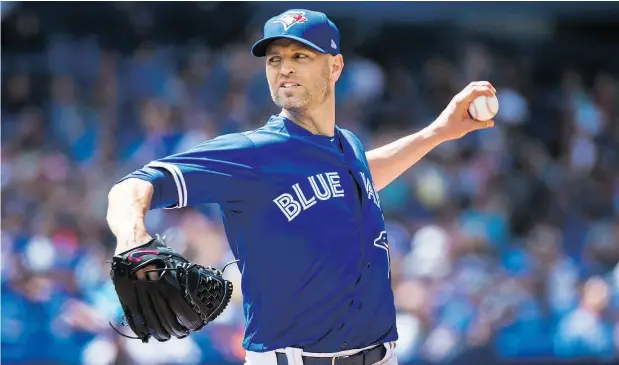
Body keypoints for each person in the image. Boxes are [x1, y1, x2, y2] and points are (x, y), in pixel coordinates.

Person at [106, 8, 496, 365]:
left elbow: (361, 176)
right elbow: (133, 186)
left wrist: (437, 133)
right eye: (275, 59)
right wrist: (132, 237)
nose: (284, 68)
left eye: (300, 56)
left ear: (335, 67)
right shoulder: (253, 152)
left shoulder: (348, 147)